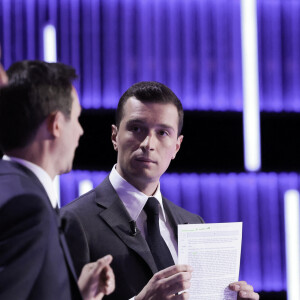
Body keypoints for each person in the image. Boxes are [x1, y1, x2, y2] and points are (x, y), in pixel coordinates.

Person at [61, 81, 259, 300]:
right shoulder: (72, 222)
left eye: (163, 132)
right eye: (136, 129)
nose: (148, 143)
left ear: (177, 146)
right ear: (114, 136)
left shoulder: (193, 224)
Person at [0, 60, 115, 300]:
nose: (81, 131)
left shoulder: (11, 188)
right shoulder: (28, 207)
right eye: (76, 118)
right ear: (56, 124)